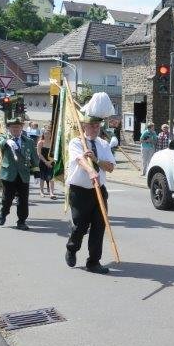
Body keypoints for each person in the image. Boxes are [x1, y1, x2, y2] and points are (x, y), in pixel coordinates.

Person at [64, 110, 116, 274]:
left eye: (97, 125)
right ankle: (72, 248)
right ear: (84, 126)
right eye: (92, 125)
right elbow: (80, 160)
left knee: (99, 226)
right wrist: (90, 170)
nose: (95, 128)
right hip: (80, 191)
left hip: (98, 190)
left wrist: (96, 160)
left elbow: (110, 167)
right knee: (80, 226)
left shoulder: (103, 144)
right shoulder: (76, 142)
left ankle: (93, 262)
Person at [0, 117, 39, 230]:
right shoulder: (4, 137)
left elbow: (34, 158)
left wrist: (36, 172)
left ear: (22, 128)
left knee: (23, 200)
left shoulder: (29, 141)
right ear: (9, 128)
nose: (15, 129)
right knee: (7, 198)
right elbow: (0, 142)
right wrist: (7, 141)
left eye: (18, 127)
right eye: (13, 127)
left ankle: (21, 221)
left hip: (23, 174)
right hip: (9, 174)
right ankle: (4, 213)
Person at [37, 128, 57, 199]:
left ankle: (52, 193)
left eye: (48, 133)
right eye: (46, 133)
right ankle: (41, 191)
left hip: (51, 162)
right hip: (42, 162)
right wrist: (46, 162)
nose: (47, 135)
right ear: (43, 134)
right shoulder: (40, 142)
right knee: (42, 177)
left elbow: (56, 154)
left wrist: (50, 162)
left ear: (51, 134)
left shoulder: (54, 143)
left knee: (51, 177)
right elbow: (39, 154)